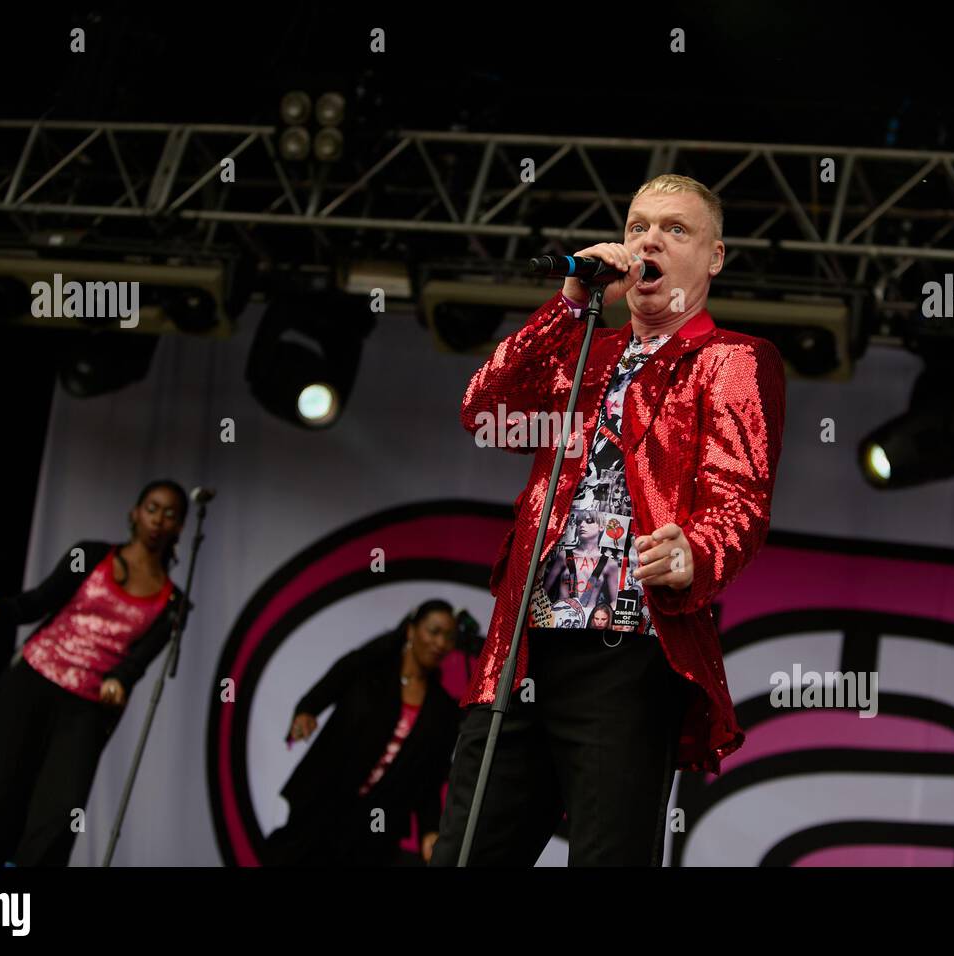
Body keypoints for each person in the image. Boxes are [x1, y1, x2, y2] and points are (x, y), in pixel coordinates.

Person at [433, 174, 787, 866]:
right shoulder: (583, 349)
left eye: (675, 230)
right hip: (523, 650)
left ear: (715, 258)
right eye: (636, 227)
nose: (648, 239)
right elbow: (483, 408)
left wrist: (696, 552)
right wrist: (569, 303)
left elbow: (740, 499)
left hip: (627, 653)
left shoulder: (733, 361)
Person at [0, 480, 192, 866]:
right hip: (33, 680)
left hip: (87, 707)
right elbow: (37, 602)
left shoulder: (173, 603)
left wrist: (119, 680)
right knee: (2, 796)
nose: (158, 520)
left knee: (62, 813)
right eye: (152, 508)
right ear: (135, 513)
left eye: (170, 514)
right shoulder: (90, 555)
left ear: (180, 527)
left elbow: (137, 662)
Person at [264, 600, 461, 866]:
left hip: (374, 829)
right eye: (434, 631)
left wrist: (429, 831)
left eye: (449, 638)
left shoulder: (442, 709)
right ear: (411, 630)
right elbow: (327, 688)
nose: (440, 643)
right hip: (321, 805)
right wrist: (306, 713)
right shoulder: (371, 668)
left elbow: (429, 779)